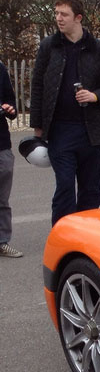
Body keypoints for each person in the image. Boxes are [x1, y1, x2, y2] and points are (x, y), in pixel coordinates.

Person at [30, 0, 100, 226]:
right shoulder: (49, 47)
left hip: (93, 131)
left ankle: (85, 236)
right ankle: (62, 237)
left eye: (64, 14)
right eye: (56, 13)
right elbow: (38, 86)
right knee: (65, 187)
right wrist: (37, 127)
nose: (58, 18)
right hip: (60, 131)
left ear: (78, 18)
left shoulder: (99, 49)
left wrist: (95, 96)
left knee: (90, 191)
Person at [0, 61, 20, 258]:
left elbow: (10, 100)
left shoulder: (0, 68)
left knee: (2, 199)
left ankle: (2, 242)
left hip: (2, 144)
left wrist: (9, 109)